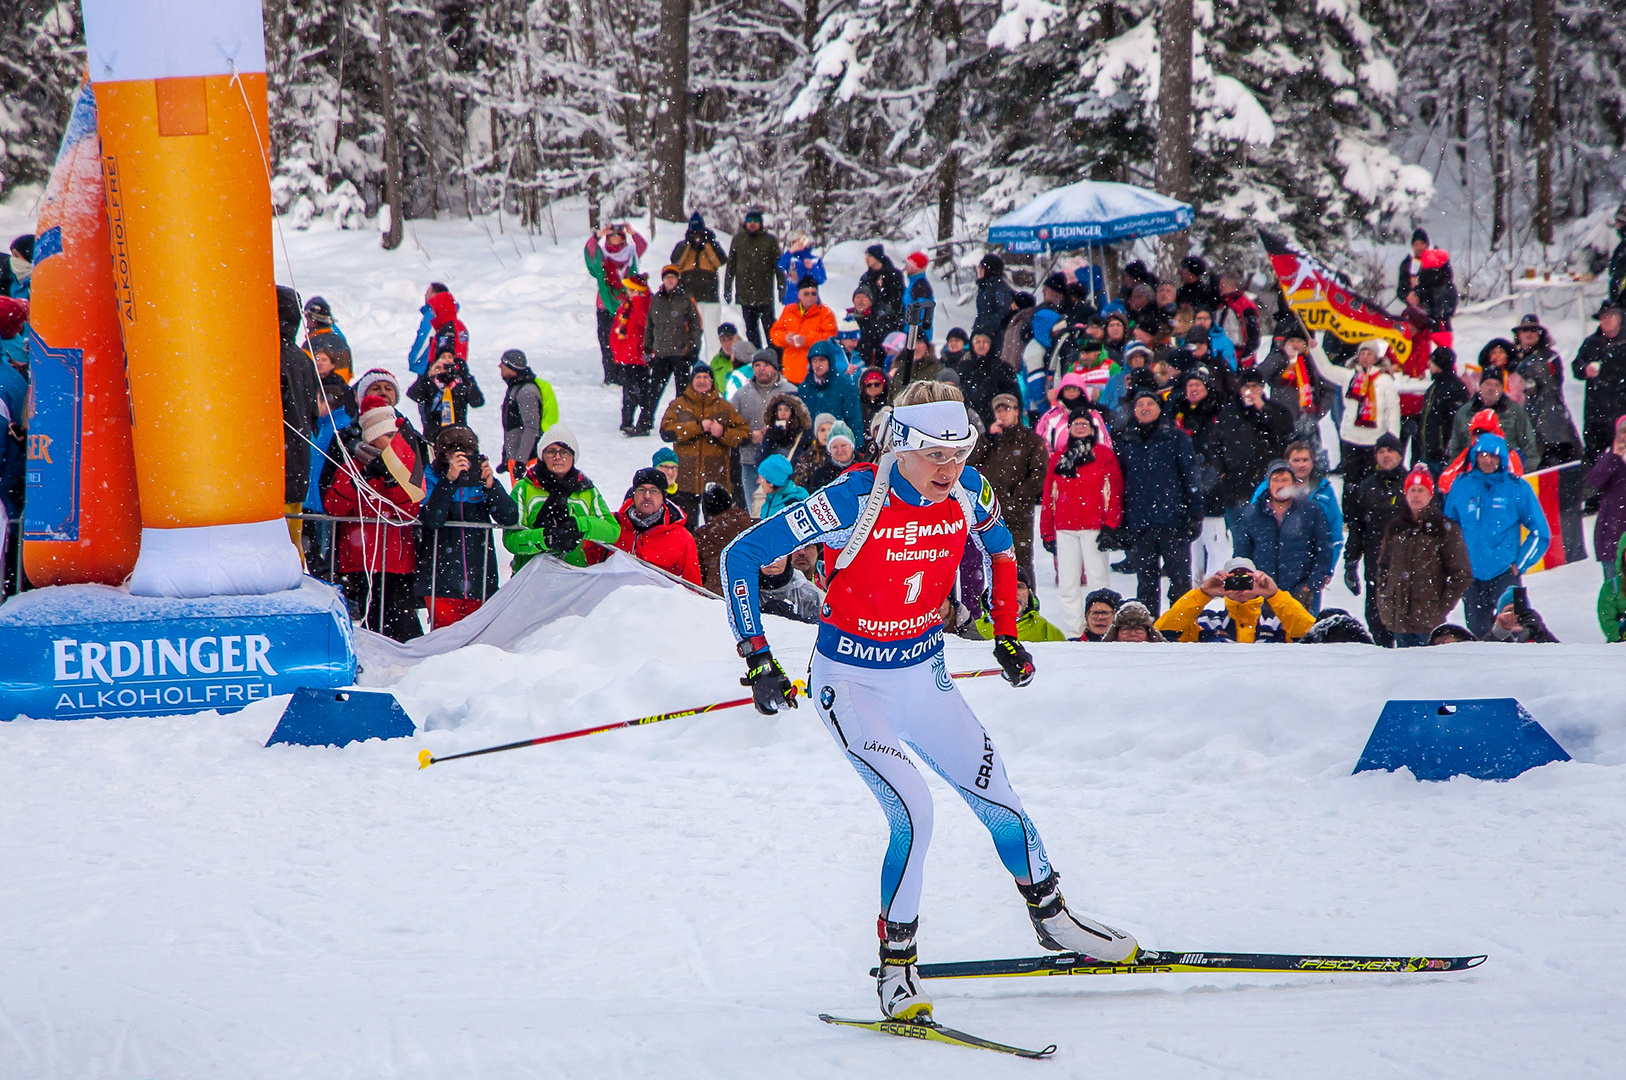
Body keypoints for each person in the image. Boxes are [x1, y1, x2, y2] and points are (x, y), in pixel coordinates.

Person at [720, 380, 1137, 1022]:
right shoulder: (853, 498)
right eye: (936, 454)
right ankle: (897, 970)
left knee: (1001, 796)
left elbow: (1001, 552)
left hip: (926, 676)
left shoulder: (971, 489)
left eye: (961, 451)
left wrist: (1005, 634)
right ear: (902, 445)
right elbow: (739, 557)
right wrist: (758, 656)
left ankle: (1055, 921)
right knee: (913, 812)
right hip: (852, 685)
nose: (950, 468)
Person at [323, 394, 426, 641]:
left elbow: (410, 510)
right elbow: (334, 507)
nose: (393, 441)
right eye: (388, 436)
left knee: (402, 618)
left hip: (397, 559)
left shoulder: (404, 465)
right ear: (372, 435)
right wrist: (365, 477)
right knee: (374, 617)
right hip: (362, 558)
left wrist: (392, 483)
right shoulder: (351, 466)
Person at [1443, 432, 1549, 637]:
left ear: (1502, 459)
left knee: (1517, 629)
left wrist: (1521, 564)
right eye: (1483, 454)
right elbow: (1449, 528)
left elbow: (1539, 532)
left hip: (1505, 573)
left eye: (1493, 456)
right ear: (1475, 456)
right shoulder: (1461, 484)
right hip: (1471, 575)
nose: (1488, 460)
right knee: (1478, 631)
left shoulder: (1517, 487)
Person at [416, 425, 520, 629]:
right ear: (443, 455)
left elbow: (509, 517)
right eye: (456, 456)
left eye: (468, 455)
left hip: (479, 580)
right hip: (441, 581)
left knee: (478, 644)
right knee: (444, 642)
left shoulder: (479, 478)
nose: (464, 463)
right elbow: (431, 519)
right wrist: (448, 481)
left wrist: (492, 486)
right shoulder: (429, 476)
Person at [1038, 409, 1123, 637]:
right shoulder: (1059, 457)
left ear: (1092, 428)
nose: (1080, 427)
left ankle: (1102, 627)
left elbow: (1114, 491)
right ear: (1069, 429)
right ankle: (1075, 629)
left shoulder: (1104, 455)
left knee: (1098, 579)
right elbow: (1049, 495)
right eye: (1075, 424)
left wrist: (1110, 524)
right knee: (1068, 581)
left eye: (1084, 423)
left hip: (1094, 526)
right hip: (1065, 526)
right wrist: (1047, 532)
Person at [1117, 389, 1201, 614]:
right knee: (1145, 581)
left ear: (1159, 408)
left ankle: (1181, 626)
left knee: (1180, 579)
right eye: (1139, 404)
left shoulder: (1176, 437)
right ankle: (1147, 627)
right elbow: (1121, 482)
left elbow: (1191, 476)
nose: (1145, 408)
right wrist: (1122, 521)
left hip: (1173, 520)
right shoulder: (1126, 440)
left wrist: (1195, 513)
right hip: (1140, 522)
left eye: (1150, 404)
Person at [1375, 465, 1474, 647]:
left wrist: (1440, 606)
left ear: (1430, 494)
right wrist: (1386, 600)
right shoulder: (1396, 527)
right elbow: (1383, 568)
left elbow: (1462, 574)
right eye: (1412, 490)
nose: (1416, 495)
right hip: (1399, 620)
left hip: (1428, 621)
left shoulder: (1445, 529)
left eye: (1421, 490)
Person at [506, 424, 620, 570]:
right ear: (542, 456)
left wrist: (578, 525)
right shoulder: (525, 487)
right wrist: (546, 537)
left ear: (573, 457)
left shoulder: (586, 489)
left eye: (565, 452)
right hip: (531, 575)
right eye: (551, 451)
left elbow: (612, 531)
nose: (558, 457)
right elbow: (511, 539)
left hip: (573, 575)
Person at [1308, 339, 1408, 502]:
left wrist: (1392, 440)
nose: (1365, 357)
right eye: (1362, 353)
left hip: (1374, 440)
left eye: (1369, 354)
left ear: (1376, 358)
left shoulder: (1384, 380)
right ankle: (1349, 516)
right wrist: (1316, 349)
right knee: (1350, 482)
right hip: (1350, 438)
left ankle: (1368, 513)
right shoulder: (1349, 376)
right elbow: (1327, 370)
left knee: (1371, 481)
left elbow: (1393, 410)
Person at [1232, 459, 1334, 611]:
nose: (1280, 484)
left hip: (1300, 593)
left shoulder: (1311, 511)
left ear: (1294, 483)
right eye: (1275, 480)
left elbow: (1324, 549)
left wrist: (1311, 584)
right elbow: (1242, 554)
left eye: (1285, 480)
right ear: (1269, 483)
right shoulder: (1253, 514)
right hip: (1261, 594)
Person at [660, 360, 752, 525]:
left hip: (716, 475)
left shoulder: (724, 407)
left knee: (717, 528)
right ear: (692, 381)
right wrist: (697, 427)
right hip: (685, 477)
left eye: (706, 377)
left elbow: (745, 436)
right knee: (685, 526)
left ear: (712, 381)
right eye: (698, 377)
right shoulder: (679, 405)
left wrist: (723, 432)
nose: (702, 381)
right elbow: (667, 432)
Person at [968, 393, 1048, 581]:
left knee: (1022, 566)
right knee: (992, 565)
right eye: (999, 410)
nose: (1002, 414)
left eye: (1007, 409)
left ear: (1017, 412)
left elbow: (1039, 475)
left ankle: (1027, 607)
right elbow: (969, 462)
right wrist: (987, 438)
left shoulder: (1031, 440)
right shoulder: (988, 440)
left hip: (1018, 515)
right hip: (989, 514)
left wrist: (1017, 497)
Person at [1155, 558, 1318, 643]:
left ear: (1257, 580)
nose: (1240, 586)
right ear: (1223, 583)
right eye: (1233, 580)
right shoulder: (1207, 623)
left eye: (1246, 580)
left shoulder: (1276, 624)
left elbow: (1311, 635)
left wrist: (1274, 595)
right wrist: (1203, 593)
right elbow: (1162, 632)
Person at [1342, 434, 1407, 645]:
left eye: (1390, 450)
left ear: (1400, 453)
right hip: (1376, 568)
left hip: (1409, 570)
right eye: (1381, 451)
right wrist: (1350, 562)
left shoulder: (1413, 484)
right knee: (1377, 621)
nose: (1386, 455)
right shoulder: (1366, 486)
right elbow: (1357, 528)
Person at [1216, 368, 1294, 539]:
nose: (1251, 390)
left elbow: (1287, 433)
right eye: (1247, 386)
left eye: (1256, 386)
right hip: (1236, 486)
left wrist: (1263, 409)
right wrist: (1221, 470)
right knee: (1241, 540)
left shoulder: (1277, 410)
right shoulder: (1228, 412)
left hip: (1267, 485)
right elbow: (1216, 443)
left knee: (1268, 538)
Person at [1172, 367, 1228, 583]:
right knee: (1192, 541)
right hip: (1187, 484)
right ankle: (1195, 585)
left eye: (1198, 384)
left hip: (1213, 482)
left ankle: (1216, 582)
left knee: (1214, 538)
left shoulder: (1218, 409)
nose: (1194, 389)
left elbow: (1226, 443)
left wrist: (1219, 468)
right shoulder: (1177, 411)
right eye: (1190, 385)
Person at [277, 286, 321, 555]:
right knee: (293, 547)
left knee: (277, 549)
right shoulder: (302, 359)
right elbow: (312, 412)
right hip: (297, 464)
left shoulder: (268, 355)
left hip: (274, 468)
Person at [604, 467, 702, 584]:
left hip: (659, 601)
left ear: (663, 496)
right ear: (633, 494)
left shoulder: (682, 538)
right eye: (641, 490)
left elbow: (693, 589)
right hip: (614, 599)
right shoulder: (612, 525)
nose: (647, 496)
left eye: (654, 490)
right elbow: (587, 569)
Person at [731, 348, 800, 503]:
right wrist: (749, 435)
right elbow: (729, 427)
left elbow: (803, 426)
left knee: (784, 509)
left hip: (785, 462)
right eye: (757, 365)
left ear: (775, 367)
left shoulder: (792, 391)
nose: (761, 368)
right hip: (751, 463)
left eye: (766, 364)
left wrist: (780, 434)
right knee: (755, 513)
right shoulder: (741, 394)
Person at [1510, 314, 1580, 463]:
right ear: (1518, 335)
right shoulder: (1514, 360)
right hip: (1527, 424)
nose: (1529, 333)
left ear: (1540, 334)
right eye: (1525, 330)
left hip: (1551, 425)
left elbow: (1550, 385)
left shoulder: (1549, 357)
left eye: (1533, 330)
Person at [1257, 322, 1332, 460]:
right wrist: (1281, 355)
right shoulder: (1280, 358)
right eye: (1292, 341)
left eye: (1299, 341)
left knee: (1310, 461)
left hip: (1307, 421)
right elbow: (1260, 374)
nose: (1295, 345)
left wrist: (1318, 411)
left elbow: (1329, 388)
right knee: (1281, 459)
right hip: (1281, 420)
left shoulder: (1314, 361)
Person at [585, 223, 648, 383]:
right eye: (612, 236)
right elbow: (590, 249)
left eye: (618, 236)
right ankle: (611, 375)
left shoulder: (631, 253)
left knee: (624, 340)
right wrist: (599, 234)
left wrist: (632, 231)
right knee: (606, 341)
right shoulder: (602, 255)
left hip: (626, 305)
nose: (615, 239)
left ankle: (623, 374)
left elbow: (642, 245)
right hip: (605, 303)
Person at [1447, 368, 1539, 469]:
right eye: (1488, 383)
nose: (1492, 388)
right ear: (1480, 386)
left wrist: (1527, 472)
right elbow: (1455, 450)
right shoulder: (1464, 413)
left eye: (1497, 385)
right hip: (1473, 476)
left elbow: (1529, 447)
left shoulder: (1516, 412)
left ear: (1502, 389)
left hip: (1507, 475)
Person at [644, 264, 703, 416]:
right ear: (663, 280)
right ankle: (644, 423)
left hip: (681, 353)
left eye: (673, 278)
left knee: (682, 393)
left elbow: (696, 325)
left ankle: (682, 423)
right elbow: (650, 325)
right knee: (653, 392)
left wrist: (694, 347)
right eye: (667, 278)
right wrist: (647, 347)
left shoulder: (686, 299)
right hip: (661, 353)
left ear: (678, 280)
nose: (670, 281)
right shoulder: (656, 299)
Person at [669, 214, 728, 359]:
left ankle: (714, 369)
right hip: (689, 300)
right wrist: (688, 244)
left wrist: (707, 244)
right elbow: (676, 262)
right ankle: (692, 369)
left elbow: (720, 261)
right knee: (691, 336)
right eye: (694, 233)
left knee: (713, 336)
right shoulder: (683, 246)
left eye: (699, 233)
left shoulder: (712, 245)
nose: (697, 237)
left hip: (710, 299)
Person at [724, 208, 784, 347]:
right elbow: (730, 266)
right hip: (745, 294)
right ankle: (756, 357)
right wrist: (728, 288)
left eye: (756, 221)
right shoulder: (738, 239)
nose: (752, 223)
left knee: (770, 328)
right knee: (750, 330)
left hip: (764, 294)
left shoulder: (769, 241)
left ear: (761, 223)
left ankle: (774, 356)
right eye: (750, 220)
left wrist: (781, 287)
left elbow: (778, 267)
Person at [1573, 306, 1626, 465]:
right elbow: (1576, 367)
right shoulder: (1591, 343)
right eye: (1604, 317)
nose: (1608, 320)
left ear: (1620, 318)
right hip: (1596, 410)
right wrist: (1585, 369)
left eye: (1611, 316)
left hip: (1622, 409)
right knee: (1594, 456)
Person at [408, 343, 486, 446]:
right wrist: (429, 374)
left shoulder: (461, 382)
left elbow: (477, 402)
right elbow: (413, 395)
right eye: (443, 357)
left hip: (458, 435)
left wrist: (466, 376)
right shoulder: (430, 382)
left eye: (450, 357)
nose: (447, 360)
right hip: (433, 437)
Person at [769, 279, 838, 384]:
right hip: (790, 372)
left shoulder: (826, 313)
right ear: (799, 295)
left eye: (813, 293)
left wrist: (807, 340)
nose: (810, 296)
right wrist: (786, 338)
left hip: (815, 373)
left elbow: (831, 338)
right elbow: (774, 333)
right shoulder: (789, 310)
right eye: (806, 294)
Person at [610, 270, 654, 433]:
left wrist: (636, 300)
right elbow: (617, 330)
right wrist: (616, 352)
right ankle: (627, 421)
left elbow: (644, 322)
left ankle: (644, 420)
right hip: (626, 357)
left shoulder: (644, 303)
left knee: (641, 391)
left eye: (630, 290)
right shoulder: (626, 306)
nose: (626, 293)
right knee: (629, 391)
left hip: (638, 357)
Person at [494, 349, 551, 473]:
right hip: (516, 458)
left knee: (523, 493)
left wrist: (521, 461)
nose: (500, 366)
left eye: (503, 362)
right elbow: (511, 426)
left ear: (512, 366)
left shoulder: (526, 392)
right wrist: (507, 457)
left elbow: (531, 427)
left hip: (527, 461)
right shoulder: (515, 388)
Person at [975, 567, 1068, 641]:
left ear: (1029, 593)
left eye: (1020, 587)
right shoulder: (976, 630)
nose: (1014, 592)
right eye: (1006, 586)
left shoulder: (1047, 631)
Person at [1585, 415, 1626, 581]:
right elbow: (1593, 482)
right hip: (1613, 538)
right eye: (1623, 432)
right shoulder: (1609, 458)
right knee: (1615, 595)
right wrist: (1613, 456)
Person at [695, 482, 754, 593]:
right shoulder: (753, 526)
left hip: (715, 597)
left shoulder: (702, 537)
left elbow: (696, 576)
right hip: (750, 594)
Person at [958, 328, 1022, 428]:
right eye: (977, 341)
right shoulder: (963, 368)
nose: (981, 345)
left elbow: (1012, 398)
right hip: (968, 421)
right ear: (971, 344)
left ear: (991, 344)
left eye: (985, 341)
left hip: (997, 424)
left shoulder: (1002, 368)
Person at [1419, 347, 1471, 468]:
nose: (1429, 364)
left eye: (1432, 361)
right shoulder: (1436, 386)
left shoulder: (1455, 388)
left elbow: (1458, 422)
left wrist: (1446, 448)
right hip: (1430, 452)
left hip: (1443, 455)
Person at [798, 341, 863, 436]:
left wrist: (856, 447)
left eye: (822, 359)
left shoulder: (846, 386)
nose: (817, 364)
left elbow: (854, 421)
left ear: (830, 361)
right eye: (814, 360)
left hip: (840, 444)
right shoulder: (804, 389)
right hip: (812, 446)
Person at [406, 283, 469, 375]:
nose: (425, 295)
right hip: (451, 373)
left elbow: (423, 342)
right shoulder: (459, 325)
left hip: (435, 372)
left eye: (428, 292)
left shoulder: (439, 322)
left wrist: (415, 362)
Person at [759, 391, 817, 485]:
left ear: (794, 412)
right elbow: (763, 456)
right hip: (773, 480)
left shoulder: (803, 432)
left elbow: (805, 455)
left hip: (795, 480)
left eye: (786, 410)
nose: (783, 413)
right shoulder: (771, 433)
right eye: (780, 409)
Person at [757, 554, 824, 623]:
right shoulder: (747, 590)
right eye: (764, 553)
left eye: (779, 554)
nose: (772, 560)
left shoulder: (809, 594)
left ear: (788, 557)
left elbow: (822, 629)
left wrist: (795, 622)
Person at [1216, 271, 1261, 366]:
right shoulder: (1223, 305)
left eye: (1222, 285)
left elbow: (1253, 335)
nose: (1219, 288)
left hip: (1238, 357)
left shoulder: (1244, 306)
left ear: (1231, 285)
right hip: (1222, 355)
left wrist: (1245, 358)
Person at [971, 253, 1016, 345]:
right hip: (984, 336)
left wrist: (986, 329)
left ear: (989, 270)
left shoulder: (998, 288)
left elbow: (1002, 312)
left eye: (982, 268)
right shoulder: (985, 287)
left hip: (994, 338)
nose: (979, 271)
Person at [1486, 587, 1558, 643]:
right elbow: (1484, 656)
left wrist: (1537, 631)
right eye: (1508, 611)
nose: (1514, 615)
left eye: (1519, 611)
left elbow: (1558, 654)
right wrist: (1499, 632)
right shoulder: (1494, 636)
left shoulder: (1536, 633)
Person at [776, 231, 826, 306]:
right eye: (793, 243)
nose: (796, 245)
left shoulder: (814, 260)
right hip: (792, 303)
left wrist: (812, 268)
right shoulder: (790, 259)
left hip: (811, 303)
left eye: (799, 242)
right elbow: (781, 265)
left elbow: (821, 279)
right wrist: (790, 252)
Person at [806, 421, 859, 491]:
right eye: (835, 447)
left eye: (843, 446)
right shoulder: (821, 475)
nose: (840, 451)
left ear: (852, 447)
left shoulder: (865, 468)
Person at [754, 452, 809, 518]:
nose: (758, 481)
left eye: (761, 478)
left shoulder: (791, 506)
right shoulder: (772, 499)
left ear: (771, 482)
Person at [858, 244, 906, 315]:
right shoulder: (866, 277)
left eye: (870, 256)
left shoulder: (894, 275)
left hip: (893, 317)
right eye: (866, 256)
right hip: (871, 317)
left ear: (877, 257)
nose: (866, 259)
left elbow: (898, 296)